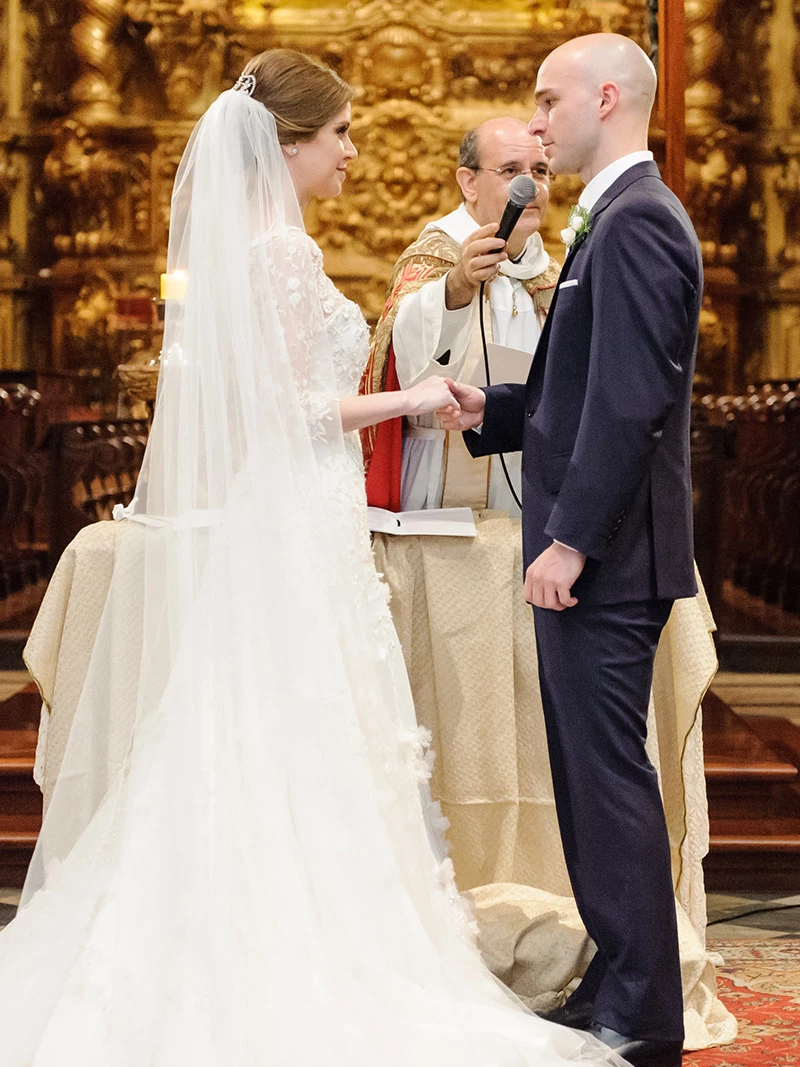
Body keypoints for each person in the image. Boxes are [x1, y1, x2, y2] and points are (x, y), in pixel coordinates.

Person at [0, 49, 629, 1067]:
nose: (351, 153)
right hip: (296, 519)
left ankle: (228, 932)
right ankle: (302, 950)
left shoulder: (253, 247)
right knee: (303, 724)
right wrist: (411, 399)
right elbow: (289, 410)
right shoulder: (281, 252)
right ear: (287, 143)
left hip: (289, 516)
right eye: (337, 134)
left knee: (258, 728)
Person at [440, 33, 703, 1067]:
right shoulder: (616, 213)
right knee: (588, 781)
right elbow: (582, 387)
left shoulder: (638, 220)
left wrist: (570, 542)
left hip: (609, 556)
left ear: (604, 98)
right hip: (600, 548)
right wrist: (494, 410)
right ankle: (617, 975)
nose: (537, 120)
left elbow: (632, 403)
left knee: (606, 778)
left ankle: (643, 1014)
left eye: (549, 100)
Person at [362, 118, 559, 514]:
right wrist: (456, 287)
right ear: (469, 183)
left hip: (527, 478)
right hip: (439, 472)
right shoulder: (435, 258)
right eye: (511, 171)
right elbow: (408, 367)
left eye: (540, 171)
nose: (531, 186)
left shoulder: (551, 276)